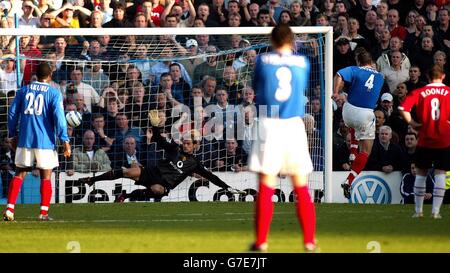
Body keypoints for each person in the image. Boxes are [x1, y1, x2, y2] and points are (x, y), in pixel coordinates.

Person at [248, 24, 317, 253]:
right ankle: (309, 241)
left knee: (266, 186)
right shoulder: (303, 62)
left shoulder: (262, 61)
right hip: (293, 125)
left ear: (271, 39)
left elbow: (257, 88)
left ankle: (261, 243)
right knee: (301, 187)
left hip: (269, 123)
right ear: (292, 40)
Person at [78, 110, 245, 202]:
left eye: (188, 143)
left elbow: (211, 176)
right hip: (153, 172)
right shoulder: (174, 149)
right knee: (129, 171)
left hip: (164, 184)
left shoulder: (194, 163)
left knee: (156, 190)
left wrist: (226, 187)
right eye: (185, 142)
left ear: (195, 146)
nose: (185, 144)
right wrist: (155, 126)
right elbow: (157, 138)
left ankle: (127, 196)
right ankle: (93, 180)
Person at [3, 62, 71, 221]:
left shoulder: (23, 91)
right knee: (46, 176)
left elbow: (12, 114)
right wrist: (65, 140)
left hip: (25, 139)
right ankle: (43, 213)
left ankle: (10, 209)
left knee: (19, 173)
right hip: (45, 141)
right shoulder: (54, 93)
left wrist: (13, 135)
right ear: (50, 75)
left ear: (36, 74)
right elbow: (60, 119)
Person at [399, 64, 450, 219]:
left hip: (425, 138)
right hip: (444, 139)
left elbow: (402, 108)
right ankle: (435, 212)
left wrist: (412, 123)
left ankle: (419, 211)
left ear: (427, 77)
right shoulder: (448, 92)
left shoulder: (420, 92)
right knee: (440, 173)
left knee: (421, 173)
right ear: (443, 77)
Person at [332, 48, 384, 199]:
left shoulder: (355, 69)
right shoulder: (380, 76)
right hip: (366, 114)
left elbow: (339, 74)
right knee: (366, 152)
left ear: (358, 61)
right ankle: (349, 181)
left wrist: (336, 92)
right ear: (372, 63)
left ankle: (353, 153)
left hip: (348, 112)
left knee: (353, 122)